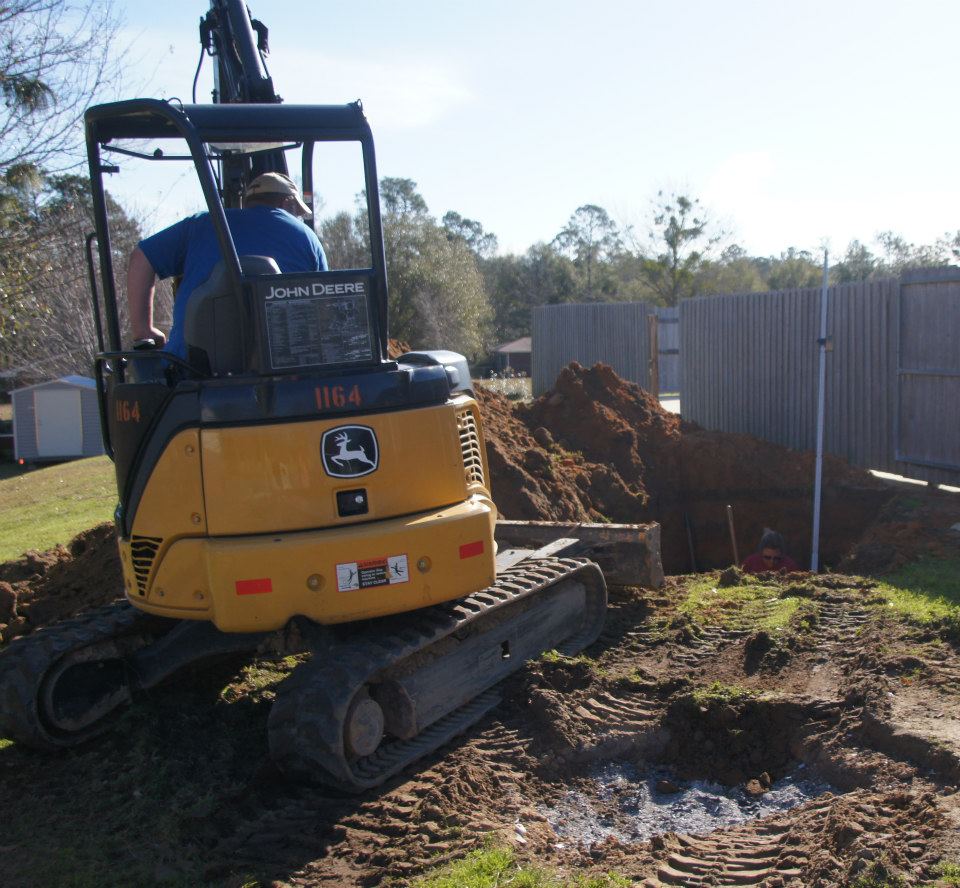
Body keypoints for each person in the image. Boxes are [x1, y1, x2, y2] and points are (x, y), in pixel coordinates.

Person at [127, 172, 327, 359]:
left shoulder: (202, 224)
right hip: (285, 370)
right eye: (298, 212)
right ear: (287, 202)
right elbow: (325, 306)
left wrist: (143, 331)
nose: (298, 217)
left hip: (189, 370)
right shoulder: (307, 238)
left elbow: (140, 258)